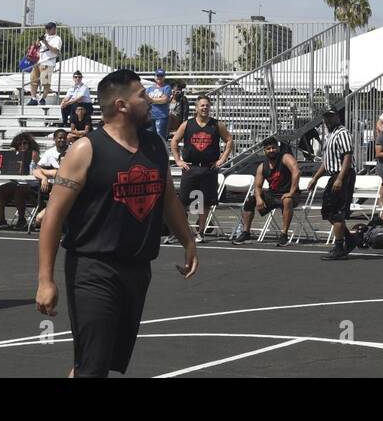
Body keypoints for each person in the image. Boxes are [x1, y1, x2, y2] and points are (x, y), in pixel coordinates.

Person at [35, 68, 197, 378]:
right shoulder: (86, 149)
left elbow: (168, 200)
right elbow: (53, 217)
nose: (149, 100)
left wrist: (188, 241)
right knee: (92, 367)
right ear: (121, 105)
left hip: (137, 269)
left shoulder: (154, 146)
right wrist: (46, 279)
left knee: (99, 361)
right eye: (141, 95)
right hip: (94, 269)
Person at [170, 95, 233, 241]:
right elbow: (175, 141)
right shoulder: (187, 124)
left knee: (204, 203)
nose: (205, 108)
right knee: (184, 201)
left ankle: (201, 232)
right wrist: (178, 160)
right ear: (197, 108)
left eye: (207, 105)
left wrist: (222, 159)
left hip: (208, 169)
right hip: (190, 168)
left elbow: (229, 140)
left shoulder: (217, 125)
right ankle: (179, 232)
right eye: (202, 105)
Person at [232, 137, 302, 245]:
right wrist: (259, 199)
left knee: (287, 200)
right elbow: (258, 186)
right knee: (251, 200)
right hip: (273, 194)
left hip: (291, 195)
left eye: (273, 148)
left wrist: (292, 192)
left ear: (278, 148)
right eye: (268, 148)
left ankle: (284, 235)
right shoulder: (262, 166)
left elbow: (296, 172)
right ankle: (246, 233)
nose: (271, 150)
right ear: (264, 151)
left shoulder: (285, 158)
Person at [312, 109, 356, 260]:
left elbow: (347, 156)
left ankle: (339, 247)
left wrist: (340, 178)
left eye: (331, 116)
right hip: (334, 173)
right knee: (328, 211)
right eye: (326, 117)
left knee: (336, 212)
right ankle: (349, 239)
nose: (328, 120)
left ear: (338, 116)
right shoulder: (331, 134)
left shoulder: (342, 133)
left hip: (342, 173)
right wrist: (315, 178)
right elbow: (327, 161)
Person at [0, 132, 40, 229]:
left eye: (24, 143)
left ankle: (22, 220)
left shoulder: (34, 154)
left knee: (19, 189)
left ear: (29, 144)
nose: (22, 146)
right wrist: (10, 155)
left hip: (33, 184)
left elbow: (41, 168)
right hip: (18, 183)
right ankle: (1, 220)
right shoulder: (15, 155)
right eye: (19, 144)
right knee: (0, 190)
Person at [30, 130, 68, 230]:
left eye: (64, 137)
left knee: (40, 219)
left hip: (67, 188)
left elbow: (59, 173)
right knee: (38, 218)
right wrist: (44, 178)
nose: (62, 140)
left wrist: (50, 172)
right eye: (60, 138)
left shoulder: (73, 151)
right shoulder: (49, 152)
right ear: (54, 139)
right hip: (51, 187)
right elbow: (36, 170)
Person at [28, 22, 63, 105]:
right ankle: (33, 98)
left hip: (48, 62)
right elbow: (37, 46)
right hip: (38, 61)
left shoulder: (57, 39)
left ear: (54, 29)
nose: (47, 30)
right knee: (33, 79)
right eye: (46, 28)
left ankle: (43, 98)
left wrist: (46, 42)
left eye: (49, 28)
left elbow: (56, 51)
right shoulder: (45, 36)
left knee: (45, 82)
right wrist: (38, 41)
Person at [145, 69, 173, 141]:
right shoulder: (149, 89)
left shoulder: (167, 87)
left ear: (164, 77)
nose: (159, 78)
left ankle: (161, 151)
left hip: (161, 116)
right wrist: (157, 100)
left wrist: (151, 100)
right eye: (157, 76)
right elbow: (145, 100)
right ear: (154, 77)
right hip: (150, 116)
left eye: (161, 76)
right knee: (149, 136)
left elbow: (164, 100)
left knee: (160, 137)